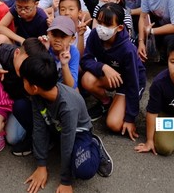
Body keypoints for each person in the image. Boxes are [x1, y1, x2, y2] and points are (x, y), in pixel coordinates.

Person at [21, 53, 113, 193]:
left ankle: (94, 144)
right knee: (21, 107)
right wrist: (41, 165)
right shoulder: (37, 95)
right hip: (56, 126)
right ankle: (51, 145)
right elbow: (39, 128)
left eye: (24, 80)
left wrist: (65, 181)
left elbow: (67, 142)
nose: (22, 83)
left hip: (77, 133)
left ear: (34, 87)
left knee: (84, 170)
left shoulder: (68, 106)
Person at [81, 4, 146, 141]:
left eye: (108, 24)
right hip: (111, 76)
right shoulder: (95, 34)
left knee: (114, 125)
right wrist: (103, 67)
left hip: (129, 81)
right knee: (87, 79)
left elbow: (133, 83)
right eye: (99, 22)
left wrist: (130, 117)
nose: (102, 27)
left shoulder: (128, 49)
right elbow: (85, 60)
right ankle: (106, 102)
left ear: (120, 27)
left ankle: (121, 105)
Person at [0, 37, 48, 156]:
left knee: (12, 138)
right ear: (17, 53)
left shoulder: (35, 66)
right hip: (0, 100)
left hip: (19, 103)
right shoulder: (5, 51)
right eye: (25, 63)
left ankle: (38, 137)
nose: (27, 68)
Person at [45, 15, 81, 89]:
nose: (58, 40)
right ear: (48, 34)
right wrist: (43, 50)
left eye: (63, 36)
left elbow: (71, 86)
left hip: (63, 87)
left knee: (76, 93)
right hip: (46, 86)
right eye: (54, 35)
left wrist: (64, 64)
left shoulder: (73, 52)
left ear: (72, 39)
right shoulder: (44, 46)